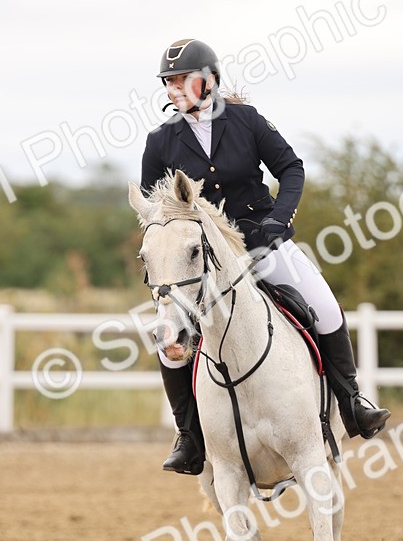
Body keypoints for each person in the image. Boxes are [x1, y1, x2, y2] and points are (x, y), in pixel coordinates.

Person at [140, 37, 390, 475]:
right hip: (203, 261)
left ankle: (352, 404)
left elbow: (292, 168)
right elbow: (157, 210)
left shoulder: (246, 121)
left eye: (184, 80)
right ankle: (189, 436)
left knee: (327, 309)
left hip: (261, 241)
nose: (175, 89)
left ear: (210, 80)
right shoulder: (161, 142)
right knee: (168, 340)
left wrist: (278, 219)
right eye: (169, 82)